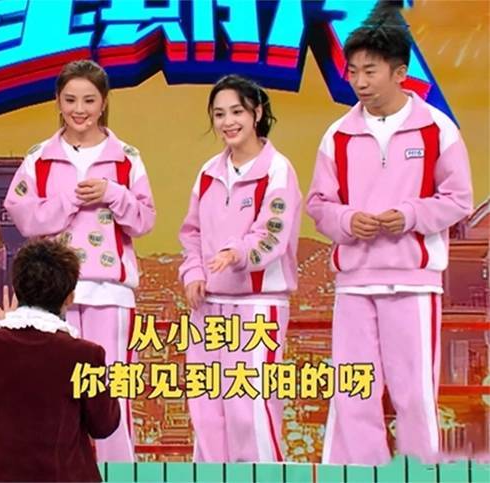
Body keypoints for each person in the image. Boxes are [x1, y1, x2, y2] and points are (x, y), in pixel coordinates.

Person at [306, 4, 473, 465]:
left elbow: (459, 199)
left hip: (412, 283)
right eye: (353, 71)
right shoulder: (337, 135)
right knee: (353, 391)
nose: (359, 81)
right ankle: (359, 472)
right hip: (355, 283)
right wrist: (346, 221)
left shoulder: (437, 129)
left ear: (400, 73)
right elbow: (318, 204)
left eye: (370, 71)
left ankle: (421, 472)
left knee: (414, 393)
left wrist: (409, 216)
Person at [2, 59, 155, 462]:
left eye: (89, 100)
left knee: (112, 388)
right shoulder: (39, 158)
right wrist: (69, 199)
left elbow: (144, 220)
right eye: (70, 99)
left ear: (103, 102)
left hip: (110, 292)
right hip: (52, 295)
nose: (79, 109)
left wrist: (113, 194)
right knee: (55, 389)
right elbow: (24, 216)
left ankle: (116, 471)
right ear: (58, 101)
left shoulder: (127, 158)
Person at [178, 74, 301, 462]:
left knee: (251, 407)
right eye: (219, 114)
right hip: (207, 306)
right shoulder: (208, 172)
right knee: (207, 407)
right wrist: (194, 274)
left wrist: (235, 253)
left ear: (257, 113)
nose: (228, 122)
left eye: (237, 112)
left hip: (258, 304)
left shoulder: (278, 170)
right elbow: (191, 232)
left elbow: (272, 233)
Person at [0, 239, 120, 481]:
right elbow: (104, 424)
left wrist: (0, 326)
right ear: (69, 297)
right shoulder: (85, 355)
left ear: (16, 288)